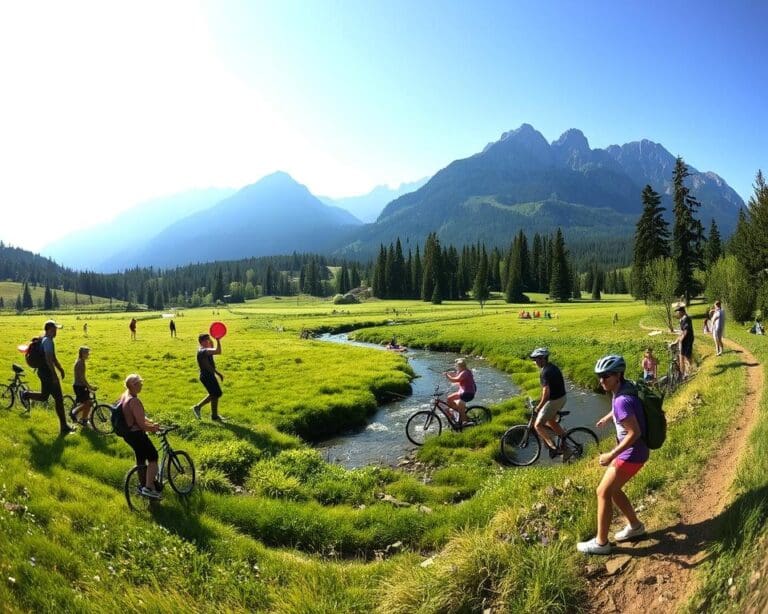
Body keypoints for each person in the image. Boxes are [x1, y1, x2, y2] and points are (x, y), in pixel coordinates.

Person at [577, 355, 648, 555]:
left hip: (631, 454)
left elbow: (635, 432)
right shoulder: (624, 389)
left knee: (602, 492)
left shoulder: (621, 400)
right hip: (636, 452)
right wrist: (608, 417)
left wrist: (611, 454)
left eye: (606, 376)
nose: (601, 380)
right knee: (613, 490)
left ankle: (601, 543)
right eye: (599, 376)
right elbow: (624, 410)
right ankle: (635, 527)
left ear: (618, 375)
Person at [21, 320, 74, 436]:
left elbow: (53, 358)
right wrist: (55, 375)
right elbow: (49, 360)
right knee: (59, 399)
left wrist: (61, 369)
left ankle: (26, 394)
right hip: (48, 374)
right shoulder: (48, 341)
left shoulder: (44, 340)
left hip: (43, 372)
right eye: (55, 329)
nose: (56, 332)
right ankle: (64, 427)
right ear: (50, 329)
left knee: (45, 397)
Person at [119, 374, 162, 499]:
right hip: (137, 434)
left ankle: (143, 484)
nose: (142, 385)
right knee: (153, 457)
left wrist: (150, 423)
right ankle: (148, 487)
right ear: (133, 385)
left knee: (141, 459)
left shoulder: (124, 396)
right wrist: (153, 428)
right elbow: (141, 425)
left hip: (128, 435)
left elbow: (137, 418)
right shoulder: (134, 401)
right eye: (139, 383)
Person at [530, 347, 569, 458]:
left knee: (537, 425)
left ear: (543, 359)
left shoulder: (545, 372)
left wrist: (539, 407)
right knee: (551, 421)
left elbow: (546, 393)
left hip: (555, 400)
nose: (535, 362)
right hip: (562, 398)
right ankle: (564, 441)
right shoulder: (552, 367)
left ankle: (553, 448)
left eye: (536, 359)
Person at [192, 333, 224, 421]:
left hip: (208, 375)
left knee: (215, 394)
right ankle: (198, 407)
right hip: (206, 377)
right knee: (216, 394)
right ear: (201, 342)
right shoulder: (203, 351)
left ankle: (214, 416)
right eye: (206, 340)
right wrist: (218, 340)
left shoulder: (204, 350)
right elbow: (218, 351)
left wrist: (218, 373)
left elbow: (209, 366)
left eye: (209, 339)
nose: (209, 341)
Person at [70, 346, 97, 426]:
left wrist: (88, 386)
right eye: (87, 353)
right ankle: (74, 412)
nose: (88, 354)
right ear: (82, 354)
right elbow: (82, 378)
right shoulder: (81, 363)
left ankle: (84, 420)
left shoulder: (80, 361)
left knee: (89, 403)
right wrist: (89, 387)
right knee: (87, 403)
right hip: (79, 386)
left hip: (80, 386)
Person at [445, 358, 476, 424]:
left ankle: (466, 422)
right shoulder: (462, 371)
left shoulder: (465, 372)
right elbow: (456, 376)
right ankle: (457, 413)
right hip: (462, 392)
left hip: (468, 393)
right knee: (449, 399)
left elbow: (455, 380)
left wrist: (447, 376)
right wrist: (450, 374)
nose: (456, 367)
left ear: (461, 366)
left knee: (461, 411)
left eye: (457, 366)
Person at [672, 305, 694, 378]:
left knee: (687, 356)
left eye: (677, 312)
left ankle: (690, 371)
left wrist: (680, 340)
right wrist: (676, 340)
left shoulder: (686, 319)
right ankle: (683, 374)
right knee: (681, 355)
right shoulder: (681, 319)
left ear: (682, 312)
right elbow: (682, 332)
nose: (677, 314)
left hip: (687, 340)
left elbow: (686, 331)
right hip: (683, 340)